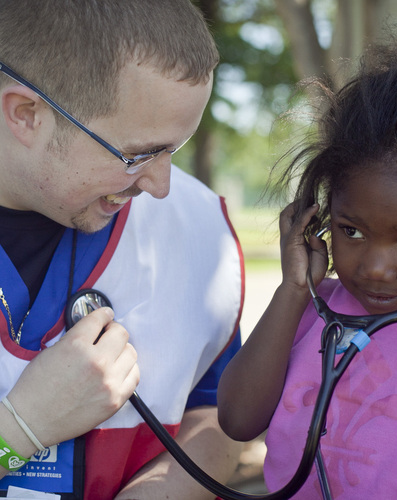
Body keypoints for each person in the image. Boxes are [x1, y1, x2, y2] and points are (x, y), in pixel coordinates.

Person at [218, 22, 397, 499]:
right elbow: (239, 421)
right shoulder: (309, 306)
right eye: (351, 231)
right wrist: (292, 290)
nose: (374, 267)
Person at [0, 1, 244, 499]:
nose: (160, 186)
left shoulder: (196, 227)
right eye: (137, 155)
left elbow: (213, 410)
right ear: (25, 114)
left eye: (173, 150)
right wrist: (18, 430)